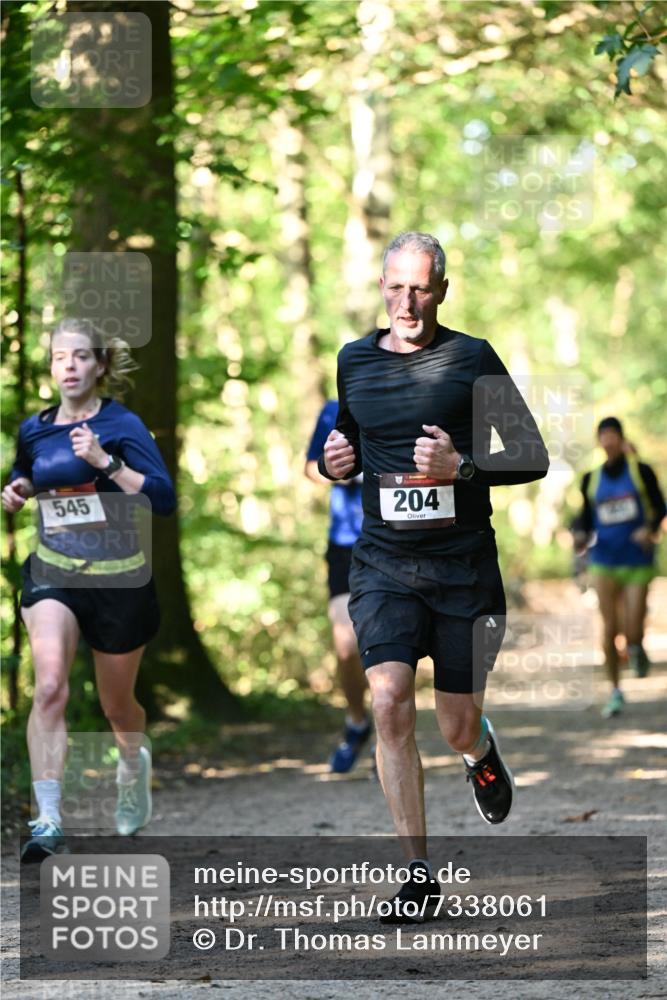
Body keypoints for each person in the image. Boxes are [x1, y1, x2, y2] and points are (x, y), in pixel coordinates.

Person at [318, 232, 549, 922]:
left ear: (442, 290)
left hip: (463, 568)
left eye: (420, 288)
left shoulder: (472, 358)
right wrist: (335, 461)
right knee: (389, 699)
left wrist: (464, 467)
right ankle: (416, 874)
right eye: (396, 287)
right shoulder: (353, 360)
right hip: (382, 563)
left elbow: (531, 454)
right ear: (381, 287)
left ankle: (478, 750)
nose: (407, 302)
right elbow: (350, 441)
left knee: (454, 724)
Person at [2, 318, 176, 862]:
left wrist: (107, 462)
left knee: (117, 706)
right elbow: (26, 474)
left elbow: (163, 498)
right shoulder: (35, 429)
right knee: (50, 686)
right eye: (60, 357)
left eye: (80, 356)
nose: (69, 366)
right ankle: (48, 820)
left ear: (100, 365)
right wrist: (17, 490)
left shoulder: (123, 425)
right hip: (54, 572)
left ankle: (130, 764)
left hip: (119, 579)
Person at [572, 417, 665, 719]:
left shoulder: (641, 471)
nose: (609, 440)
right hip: (603, 561)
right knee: (609, 628)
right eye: (604, 436)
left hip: (636, 560)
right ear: (599, 441)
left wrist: (649, 529)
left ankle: (637, 648)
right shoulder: (591, 478)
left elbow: (660, 507)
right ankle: (614, 690)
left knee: (633, 631)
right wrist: (579, 533)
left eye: (613, 435)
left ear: (621, 439)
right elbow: (585, 517)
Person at [305, 401, 370, 773]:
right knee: (347, 646)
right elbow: (309, 466)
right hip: (345, 542)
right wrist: (335, 471)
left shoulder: (409, 400)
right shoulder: (333, 410)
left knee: (395, 644)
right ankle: (357, 722)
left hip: (397, 540)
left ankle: (394, 737)